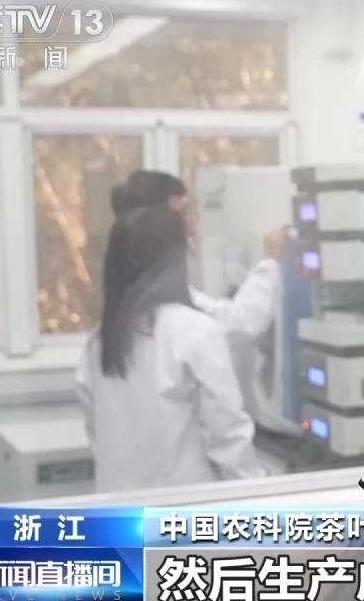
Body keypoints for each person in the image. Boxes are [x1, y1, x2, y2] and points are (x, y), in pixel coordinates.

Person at [76, 204, 265, 493]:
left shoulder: (100, 342)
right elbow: (226, 436)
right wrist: (260, 492)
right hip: (181, 509)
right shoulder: (195, 332)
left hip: (116, 508)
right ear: (174, 261)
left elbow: (96, 434)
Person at [110, 170, 286, 339]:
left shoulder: (116, 320)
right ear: (154, 224)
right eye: (182, 213)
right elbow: (239, 323)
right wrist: (269, 262)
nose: (191, 222)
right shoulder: (179, 316)